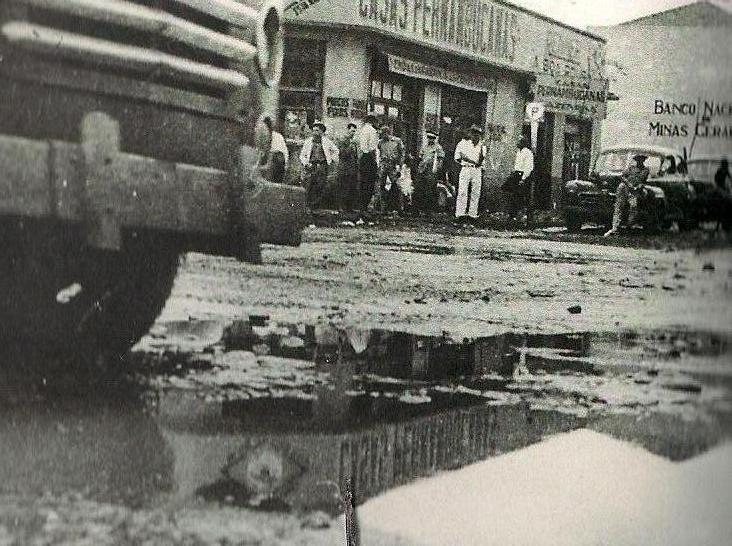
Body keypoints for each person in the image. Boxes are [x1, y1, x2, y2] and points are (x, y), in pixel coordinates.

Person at [604, 153, 650, 237]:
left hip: (635, 191)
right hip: (625, 188)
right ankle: (615, 228)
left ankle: (628, 226)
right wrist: (629, 184)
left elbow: (644, 180)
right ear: (636, 160)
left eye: (642, 159)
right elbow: (622, 176)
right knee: (619, 207)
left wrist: (639, 186)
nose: (640, 161)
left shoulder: (646, 170)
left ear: (644, 160)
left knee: (633, 206)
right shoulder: (631, 168)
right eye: (638, 159)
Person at [299, 120, 339, 210]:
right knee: (308, 185)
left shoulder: (326, 142)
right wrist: (306, 163)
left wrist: (330, 159)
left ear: (321, 131)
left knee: (320, 186)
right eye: (313, 131)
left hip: (322, 166)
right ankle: (306, 207)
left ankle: (315, 207)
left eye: (317, 131)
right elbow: (302, 155)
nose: (315, 133)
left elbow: (336, 151)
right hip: (311, 166)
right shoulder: (308, 142)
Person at [454, 124, 486, 222]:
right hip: (466, 168)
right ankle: (460, 214)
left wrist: (480, 166)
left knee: (476, 191)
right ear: (470, 133)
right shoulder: (463, 144)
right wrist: (468, 162)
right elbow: (458, 157)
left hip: (477, 169)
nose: (475, 135)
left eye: (478, 133)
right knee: (463, 191)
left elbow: (483, 160)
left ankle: (472, 214)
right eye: (473, 133)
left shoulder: (482, 146)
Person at [371, 125, 406, 214]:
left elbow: (402, 154)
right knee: (380, 185)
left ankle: (399, 208)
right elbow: (377, 153)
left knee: (397, 186)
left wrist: (399, 166)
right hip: (383, 164)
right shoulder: (380, 143)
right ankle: (381, 208)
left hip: (393, 165)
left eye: (382, 134)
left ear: (387, 133)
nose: (381, 136)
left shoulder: (397, 141)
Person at [414, 130, 445, 215]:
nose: (430, 140)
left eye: (432, 138)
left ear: (434, 139)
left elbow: (440, 159)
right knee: (420, 188)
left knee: (430, 189)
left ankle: (429, 209)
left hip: (431, 170)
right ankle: (419, 208)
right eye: (429, 138)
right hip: (423, 169)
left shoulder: (438, 147)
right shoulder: (425, 147)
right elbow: (421, 157)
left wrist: (437, 169)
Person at [508, 137, 534, 222]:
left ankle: (527, 215)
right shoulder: (519, 152)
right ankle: (513, 215)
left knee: (524, 196)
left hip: (523, 176)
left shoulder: (528, 153)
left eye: (519, 142)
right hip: (517, 174)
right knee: (514, 195)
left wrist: (523, 178)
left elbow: (528, 167)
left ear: (523, 143)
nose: (517, 143)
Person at [357, 114, 379, 211]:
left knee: (362, 182)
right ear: (373, 121)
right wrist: (375, 162)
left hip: (362, 157)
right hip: (369, 158)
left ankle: (361, 205)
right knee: (369, 183)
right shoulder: (372, 131)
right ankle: (364, 206)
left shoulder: (361, 130)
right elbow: (372, 149)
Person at [337, 122, 359, 210]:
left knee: (352, 188)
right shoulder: (343, 140)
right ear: (347, 130)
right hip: (344, 168)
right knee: (344, 188)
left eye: (354, 132)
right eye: (351, 131)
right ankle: (341, 207)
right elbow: (342, 154)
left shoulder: (354, 142)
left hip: (353, 169)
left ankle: (349, 207)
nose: (353, 133)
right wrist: (350, 147)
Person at [264, 117, 288, 184]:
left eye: (269, 126)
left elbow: (284, 152)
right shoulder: (262, 136)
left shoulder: (278, 137)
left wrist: (285, 165)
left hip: (278, 165)